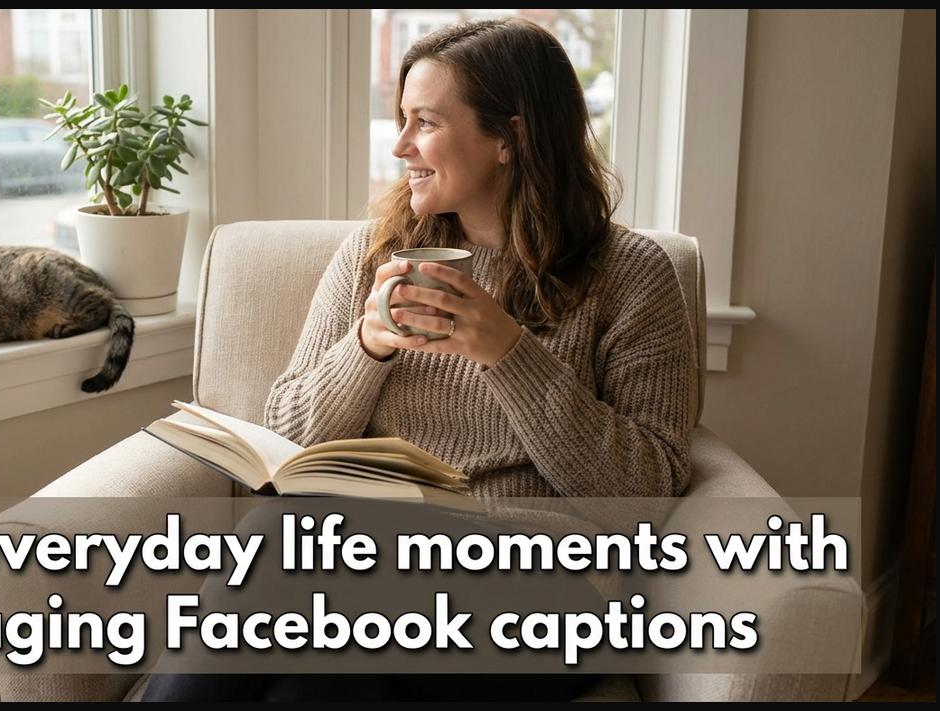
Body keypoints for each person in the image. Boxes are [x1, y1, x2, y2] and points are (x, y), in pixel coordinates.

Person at [143, 15, 696, 702]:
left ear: (509, 137)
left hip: (550, 593)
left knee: (290, 531)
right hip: (373, 578)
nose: (401, 145)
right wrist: (368, 345)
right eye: (400, 120)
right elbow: (282, 440)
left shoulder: (630, 274)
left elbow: (644, 492)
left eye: (424, 122)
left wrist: (507, 350)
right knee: (307, 683)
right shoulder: (376, 255)